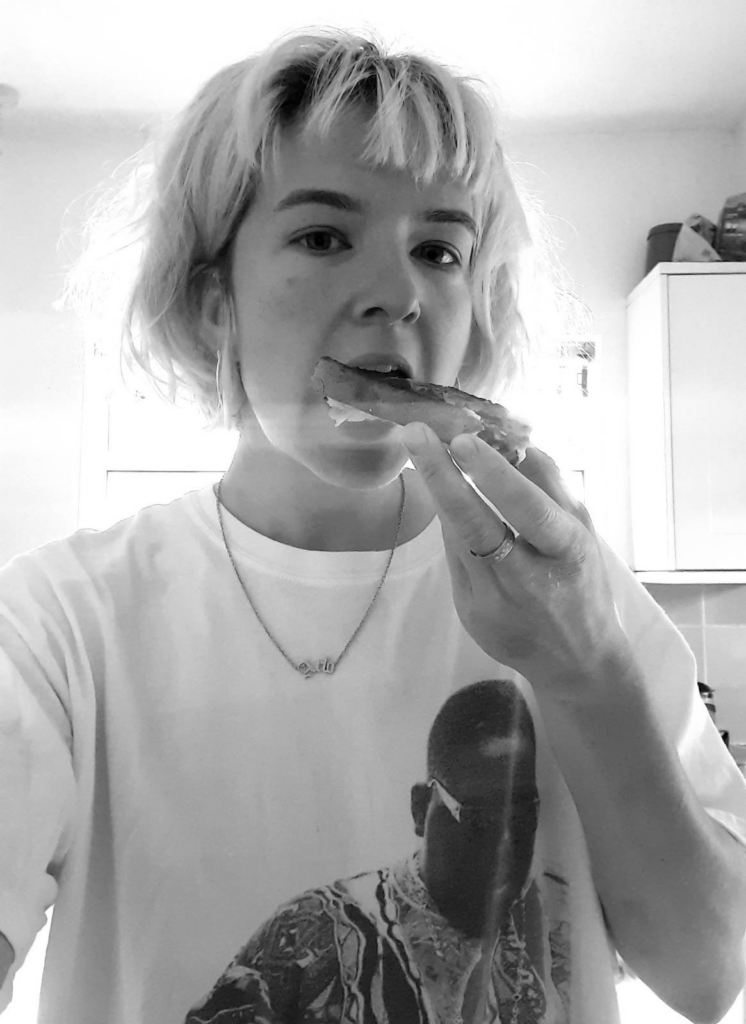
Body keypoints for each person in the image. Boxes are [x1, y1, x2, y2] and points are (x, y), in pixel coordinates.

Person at [1, 26, 745, 1024]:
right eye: (321, 236)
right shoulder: (60, 620)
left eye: (438, 249)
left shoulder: (565, 586)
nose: (397, 294)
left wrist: (580, 663)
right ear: (216, 299)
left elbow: (706, 976)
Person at [185, 679, 571, 1024]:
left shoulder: (557, 922)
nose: (506, 843)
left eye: (522, 817)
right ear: (421, 809)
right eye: (479, 820)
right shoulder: (316, 932)